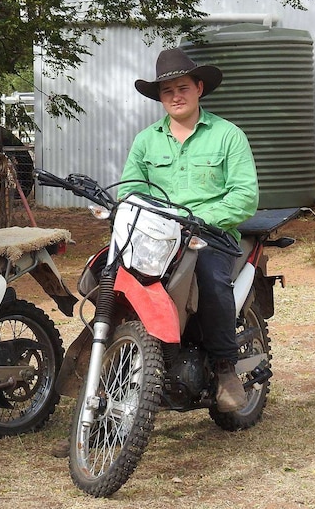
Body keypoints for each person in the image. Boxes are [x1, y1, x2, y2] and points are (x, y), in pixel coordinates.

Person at [121, 47, 259, 412]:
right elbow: (129, 190)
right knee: (110, 277)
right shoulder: (145, 140)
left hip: (209, 236)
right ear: (160, 98)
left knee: (212, 279)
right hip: (156, 238)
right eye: (167, 91)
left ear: (199, 88)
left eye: (182, 87)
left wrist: (203, 219)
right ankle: (105, 378)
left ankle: (225, 368)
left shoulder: (228, 135)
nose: (175, 96)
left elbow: (245, 196)